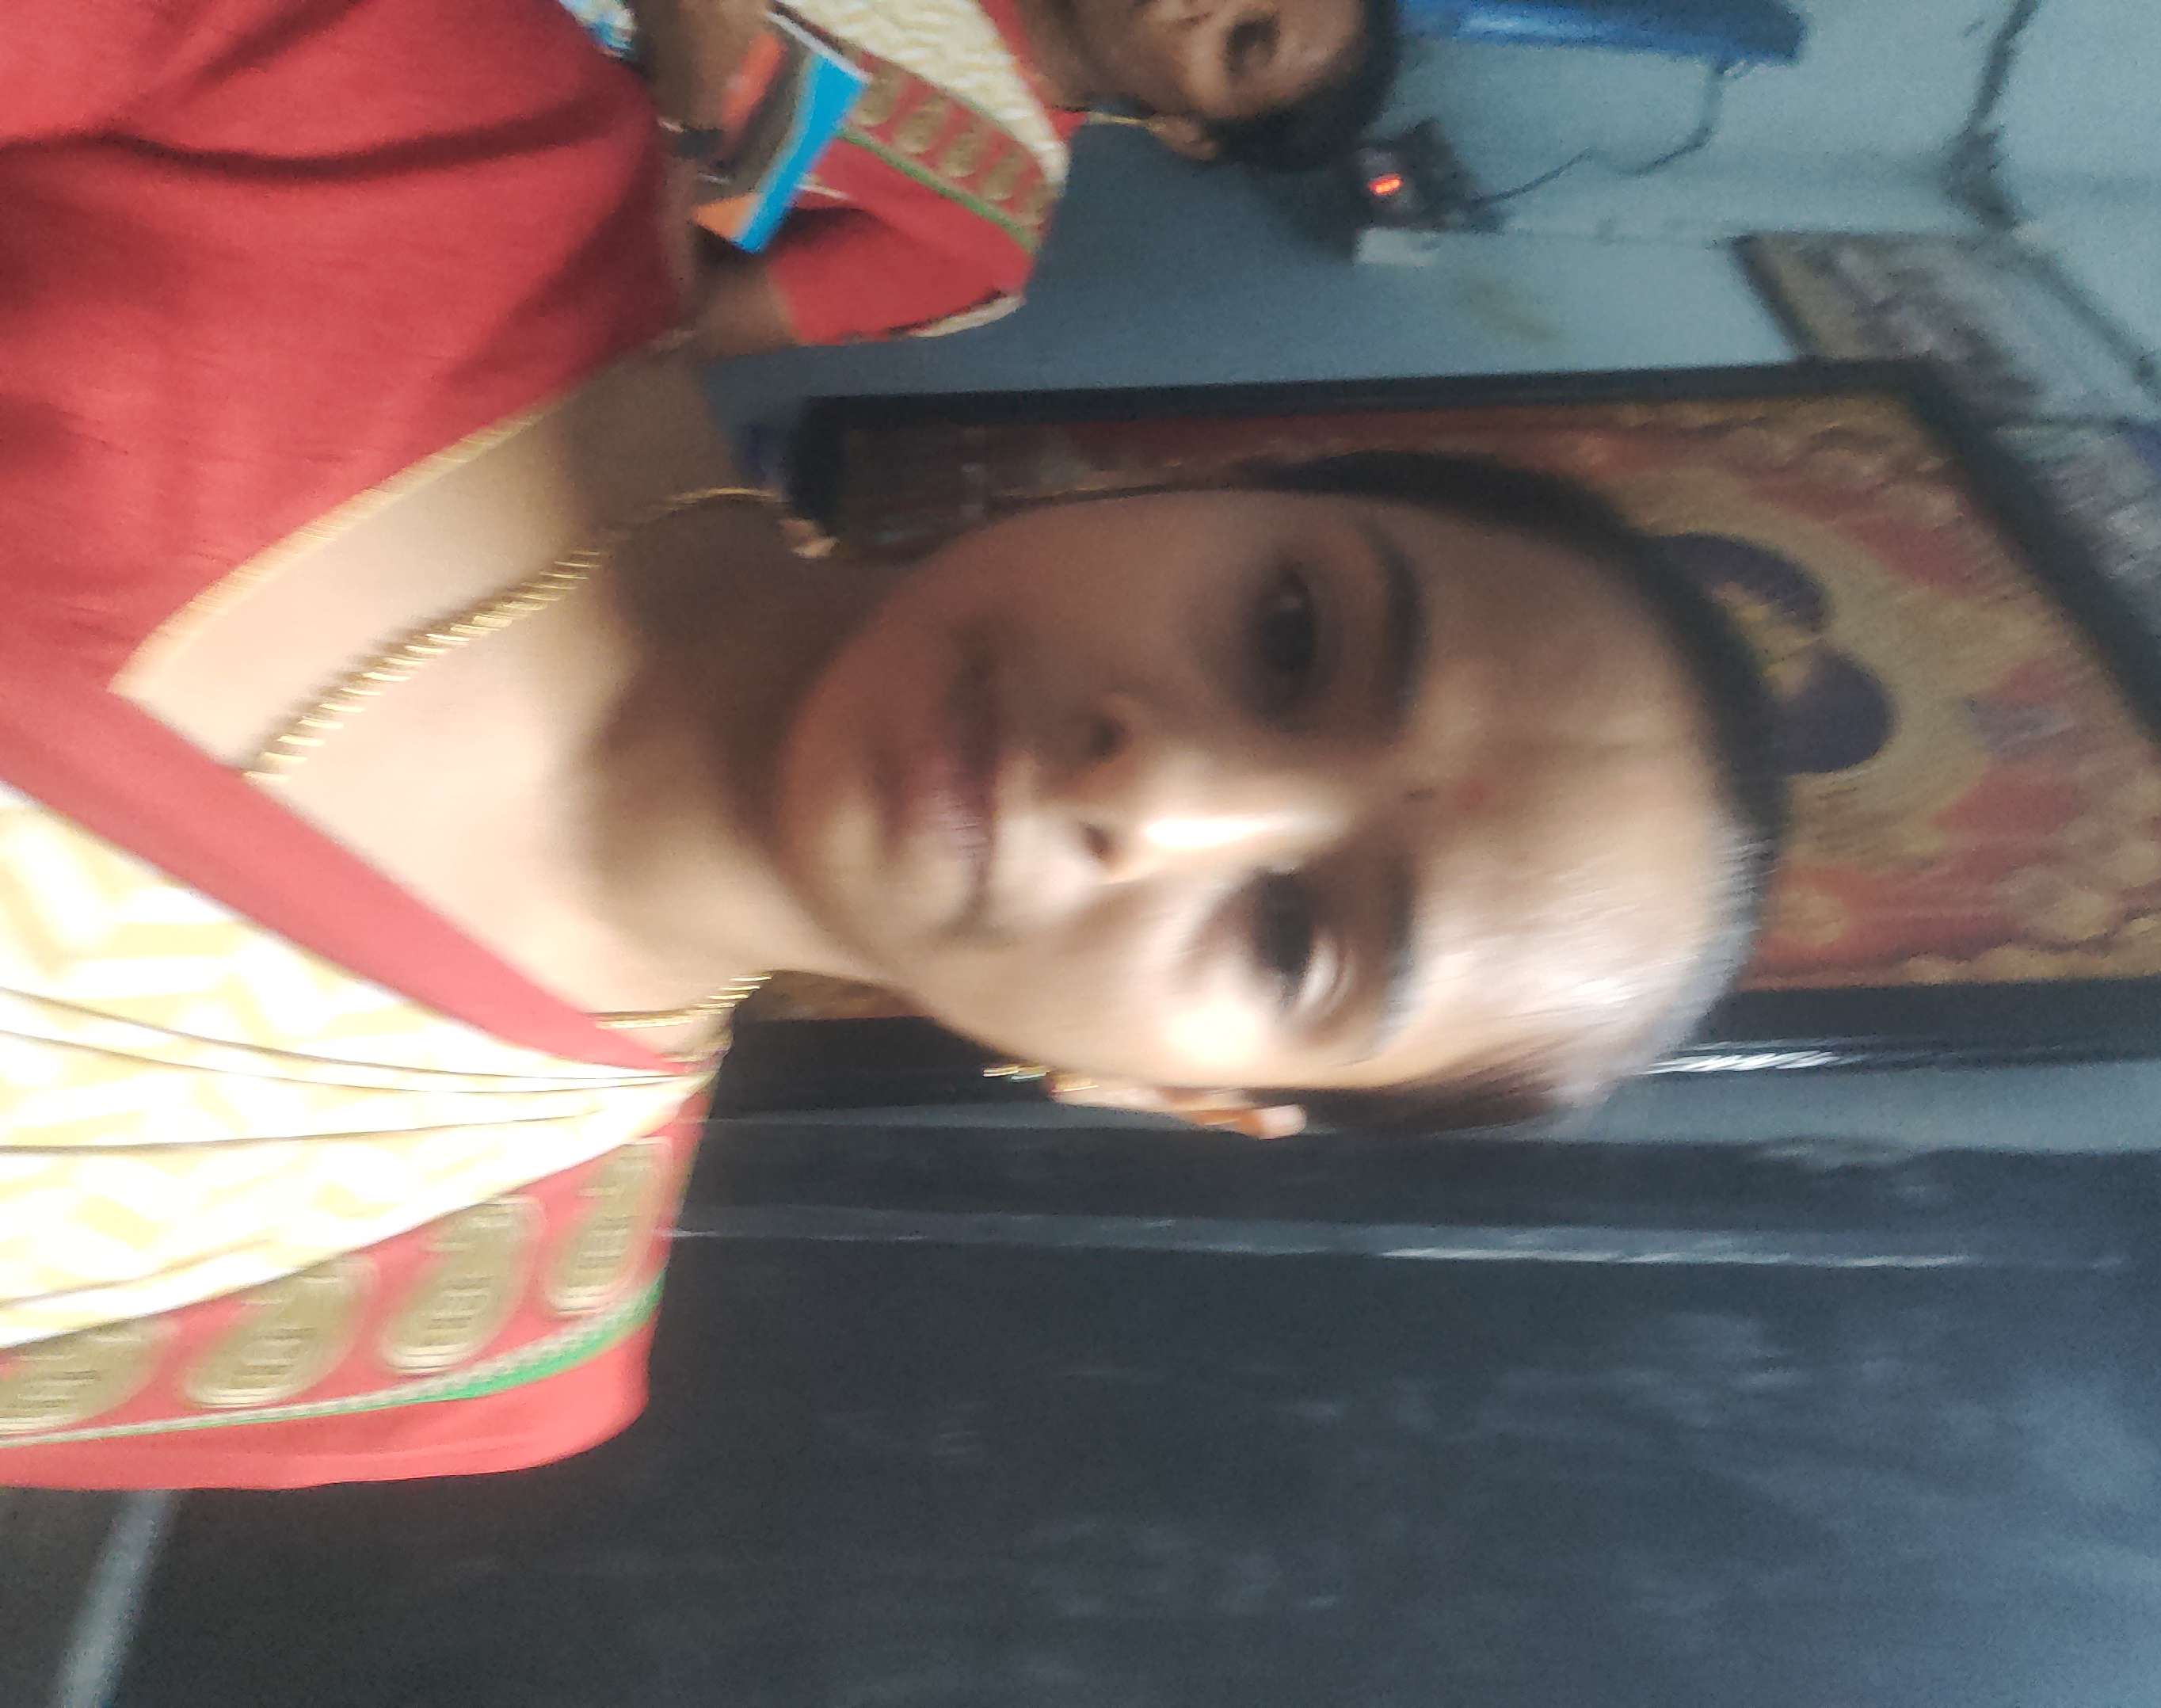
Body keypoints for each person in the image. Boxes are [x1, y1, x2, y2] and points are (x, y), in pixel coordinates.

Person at [0, 0, 1777, 1487]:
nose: (1154, 788)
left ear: (1192, 1100)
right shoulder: (428, 146)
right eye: (1292, 634)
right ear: (1201, 489)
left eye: (1297, 935)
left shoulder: (445, 1323)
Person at [614, 0, 1401, 350]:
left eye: (1241, 42)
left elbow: (662, 336)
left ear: (1186, 132)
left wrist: (694, 102)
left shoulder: (982, 229)